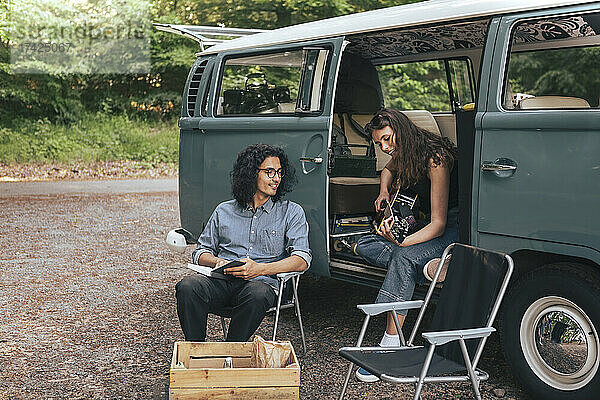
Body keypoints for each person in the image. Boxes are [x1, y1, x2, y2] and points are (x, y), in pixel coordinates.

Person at [354, 108, 459, 382]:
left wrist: (401, 242)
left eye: (388, 139)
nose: (386, 148)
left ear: (402, 130)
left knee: (401, 256)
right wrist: (383, 191)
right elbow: (388, 170)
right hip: (426, 228)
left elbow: (438, 223)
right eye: (379, 144)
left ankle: (392, 343)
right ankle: (429, 263)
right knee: (363, 242)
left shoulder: (436, 158)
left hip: (454, 227)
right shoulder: (404, 152)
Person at [175, 144, 311, 342]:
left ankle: (232, 350)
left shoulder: (291, 212)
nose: (276, 179)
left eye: (279, 173)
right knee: (188, 286)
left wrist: (260, 269)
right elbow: (200, 251)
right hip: (222, 281)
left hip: (260, 284)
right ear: (250, 173)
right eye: (269, 172)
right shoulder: (224, 211)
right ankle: (195, 350)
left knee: (258, 294)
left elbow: (302, 259)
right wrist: (217, 262)